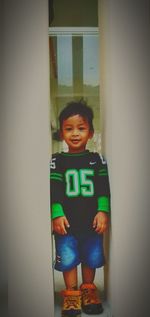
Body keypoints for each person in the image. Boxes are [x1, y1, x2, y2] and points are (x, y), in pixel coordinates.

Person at [50, 100, 110, 316]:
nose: (75, 133)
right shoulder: (57, 160)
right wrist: (56, 213)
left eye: (81, 128)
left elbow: (103, 188)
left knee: (89, 258)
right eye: (69, 128)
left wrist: (103, 211)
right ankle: (72, 294)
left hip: (91, 223)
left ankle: (88, 291)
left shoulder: (97, 160)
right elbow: (54, 189)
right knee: (67, 260)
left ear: (91, 132)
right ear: (62, 133)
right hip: (66, 224)